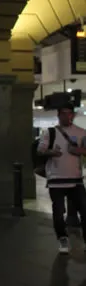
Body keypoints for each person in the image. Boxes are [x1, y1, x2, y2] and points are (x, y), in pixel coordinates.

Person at [37, 103, 86, 254]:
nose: (66, 116)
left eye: (69, 113)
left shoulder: (81, 132)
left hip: (76, 179)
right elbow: (40, 150)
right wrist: (51, 152)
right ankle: (62, 238)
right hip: (56, 179)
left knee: (84, 210)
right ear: (58, 115)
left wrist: (79, 150)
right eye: (63, 113)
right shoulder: (50, 132)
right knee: (58, 213)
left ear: (73, 115)